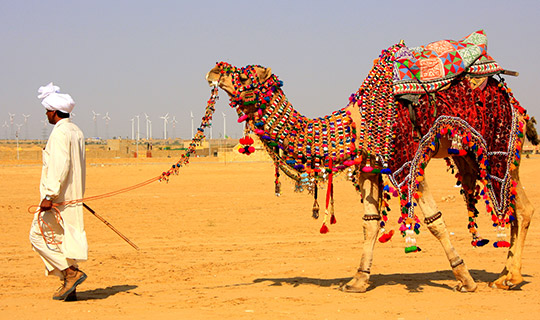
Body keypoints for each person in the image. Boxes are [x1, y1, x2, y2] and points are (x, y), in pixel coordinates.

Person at [29, 82, 87, 301]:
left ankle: (70, 274)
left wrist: (49, 195)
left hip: (58, 199)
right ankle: (70, 287)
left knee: (38, 236)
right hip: (72, 196)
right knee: (63, 241)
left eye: (47, 111)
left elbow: (60, 166)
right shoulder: (76, 131)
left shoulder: (60, 133)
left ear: (54, 112)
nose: (46, 114)